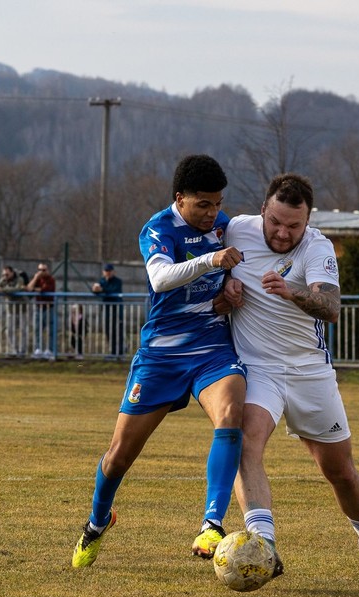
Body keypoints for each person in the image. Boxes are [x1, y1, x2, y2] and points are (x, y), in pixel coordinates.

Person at [220, 172, 359, 578]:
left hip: (310, 372)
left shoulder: (317, 246)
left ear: (307, 221)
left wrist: (291, 292)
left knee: (339, 470)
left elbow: (330, 306)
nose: (282, 232)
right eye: (275, 222)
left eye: (294, 225)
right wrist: (224, 291)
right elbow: (203, 264)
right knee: (245, 443)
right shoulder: (235, 230)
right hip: (259, 369)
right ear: (262, 211)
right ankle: (264, 546)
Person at [72, 154, 246, 568]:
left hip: (212, 349)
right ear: (180, 198)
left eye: (218, 203)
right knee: (119, 455)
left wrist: (234, 286)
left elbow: (243, 268)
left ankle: (212, 524)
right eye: (202, 204)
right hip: (162, 356)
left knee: (231, 411)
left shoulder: (225, 226)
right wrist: (212, 261)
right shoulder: (158, 229)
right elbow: (160, 278)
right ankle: (98, 522)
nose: (212, 213)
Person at [0, 265, 26, 357]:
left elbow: (17, 288)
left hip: (22, 309)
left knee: (23, 330)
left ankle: (22, 351)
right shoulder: (4, 279)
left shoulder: (19, 278)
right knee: (9, 330)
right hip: (10, 310)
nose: (5, 276)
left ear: (12, 272)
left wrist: (2, 290)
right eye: (4, 274)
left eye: (7, 274)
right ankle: (14, 350)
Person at [91, 263, 124, 358]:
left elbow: (113, 291)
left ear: (113, 271)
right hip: (107, 310)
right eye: (106, 271)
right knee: (109, 331)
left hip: (117, 310)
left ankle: (120, 352)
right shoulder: (102, 281)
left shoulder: (118, 281)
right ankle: (113, 352)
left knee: (118, 331)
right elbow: (96, 291)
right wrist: (95, 289)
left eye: (109, 271)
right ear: (103, 272)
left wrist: (102, 290)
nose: (108, 273)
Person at [27, 262, 57, 360]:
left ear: (47, 270)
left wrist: (36, 289)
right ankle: (38, 349)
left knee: (50, 331)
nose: (41, 272)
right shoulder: (37, 279)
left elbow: (44, 290)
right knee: (37, 329)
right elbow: (29, 288)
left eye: (43, 270)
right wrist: (35, 278)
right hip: (38, 307)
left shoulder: (51, 279)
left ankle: (50, 350)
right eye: (39, 270)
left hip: (49, 307)